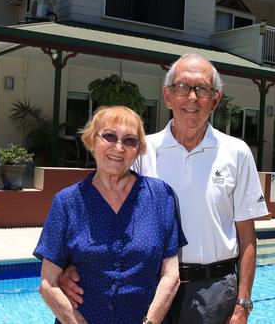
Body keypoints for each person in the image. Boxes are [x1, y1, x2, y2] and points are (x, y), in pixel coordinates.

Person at [59, 54, 269, 324]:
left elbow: (247, 237)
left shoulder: (237, 153)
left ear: (215, 99)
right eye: (182, 87)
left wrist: (242, 305)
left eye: (202, 89)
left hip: (213, 289)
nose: (192, 98)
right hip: (151, 286)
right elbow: (109, 207)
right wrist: (71, 267)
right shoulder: (143, 150)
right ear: (168, 96)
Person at [34, 105, 186, 324]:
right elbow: (48, 284)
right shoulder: (67, 202)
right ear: (92, 140)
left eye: (130, 141)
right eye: (109, 136)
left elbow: (171, 275)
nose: (119, 147)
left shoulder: (160, 196)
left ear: (138, 149)